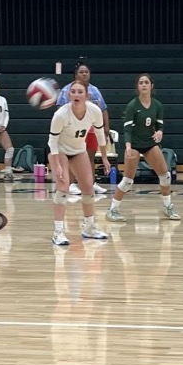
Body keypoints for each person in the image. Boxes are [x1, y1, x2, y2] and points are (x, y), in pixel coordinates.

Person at [105, 74, 180, 222]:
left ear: (151, 86)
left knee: (165, 176)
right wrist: (127, 145)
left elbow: (159, 126)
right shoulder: (133, 105)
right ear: (137, 87)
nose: (144, 85)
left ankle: (168, 207)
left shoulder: (157, 105)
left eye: (146, 82)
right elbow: (127, 129)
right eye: (141, 83)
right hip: (133, 144)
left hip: (150, 144)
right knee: (127, 181)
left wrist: (159, 132)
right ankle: (112, 209)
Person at [48, 81, 110, 246]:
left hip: (78, 150)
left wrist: (104, 158)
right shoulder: (61, 114)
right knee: (63, 186)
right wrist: (58, 165)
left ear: (86, 96)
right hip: (59, 150)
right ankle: (58, 232)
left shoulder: (94, 111)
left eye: (79, 92)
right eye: (73, 92)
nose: (76, 95)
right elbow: (52, 141)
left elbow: (100, 135)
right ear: (69, 95)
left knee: (88, 187)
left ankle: (89, 228)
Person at [56, 60, 110, 195]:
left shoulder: (95, 91)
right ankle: (72, 184)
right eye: (81, 72)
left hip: (91, 129)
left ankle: (91, 183)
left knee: (89, 157)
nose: (84, 74)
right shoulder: (66, 90)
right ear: (76, 75)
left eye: (86, 72)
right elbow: (60, 111)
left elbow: (103, 109)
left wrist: (106, 128)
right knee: (73, 156)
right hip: (72, 129)